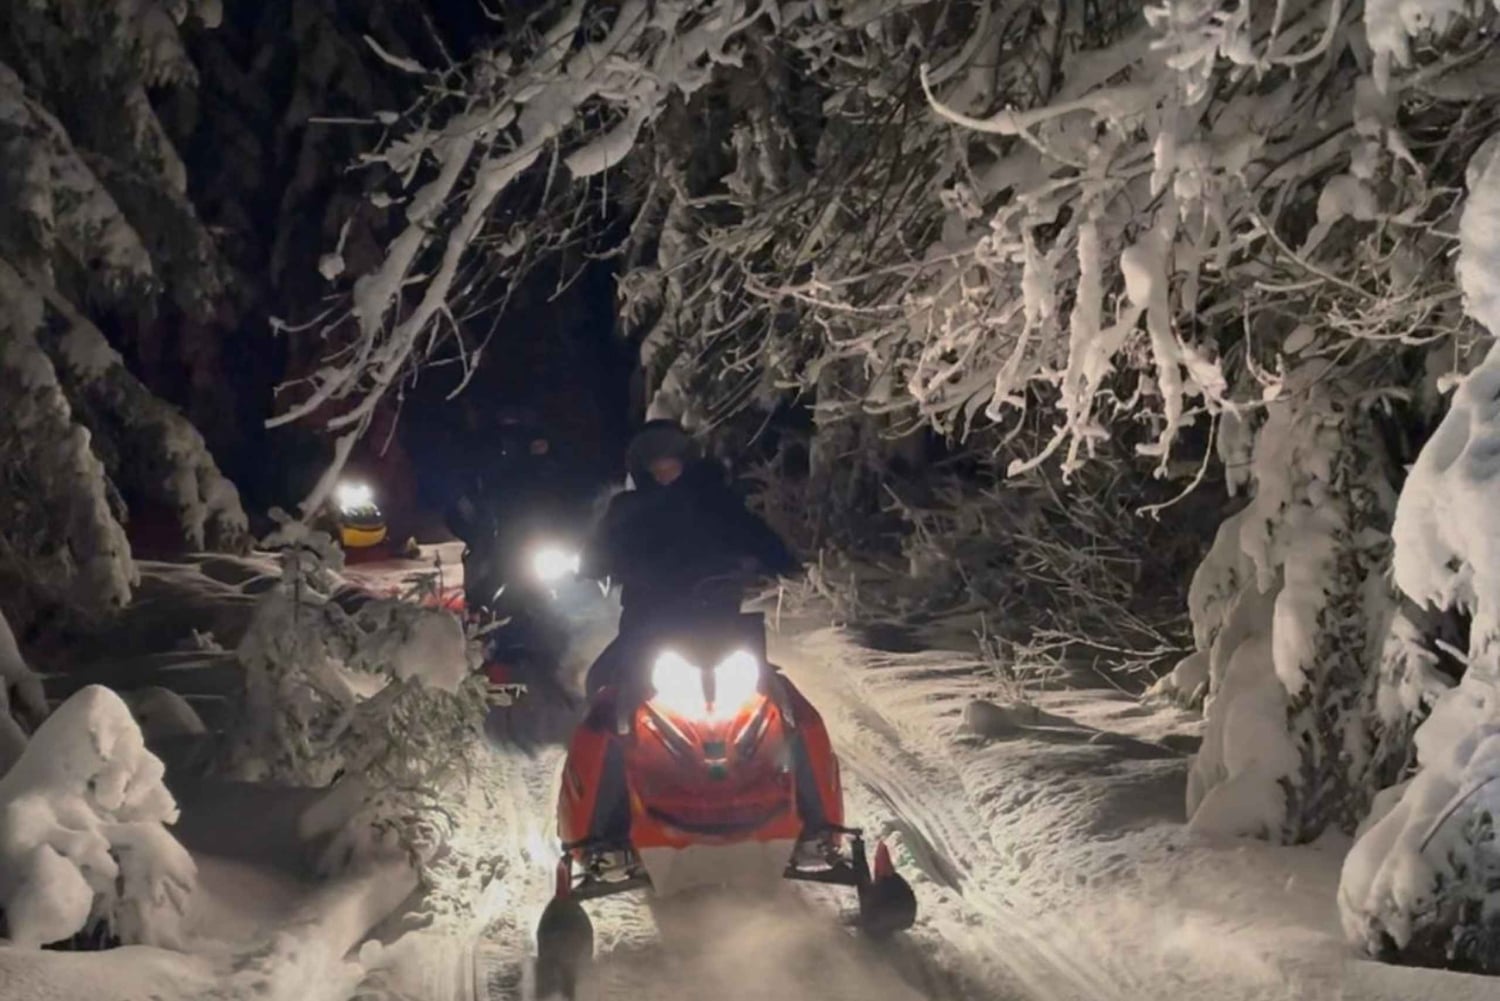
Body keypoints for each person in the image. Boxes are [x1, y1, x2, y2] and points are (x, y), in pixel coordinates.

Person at [579, 419, 799, 695]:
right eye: (655, 467)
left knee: (776, 694)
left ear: (686, 462)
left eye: (669, 465)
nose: (663, 473)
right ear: (642, 470)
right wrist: (592, 565)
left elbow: (755, 533)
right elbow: (597, 553)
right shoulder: (625, 509)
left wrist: (780, 561)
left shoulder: (717, 502)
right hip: (648, 626)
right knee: (602, 684)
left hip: (717, 624)